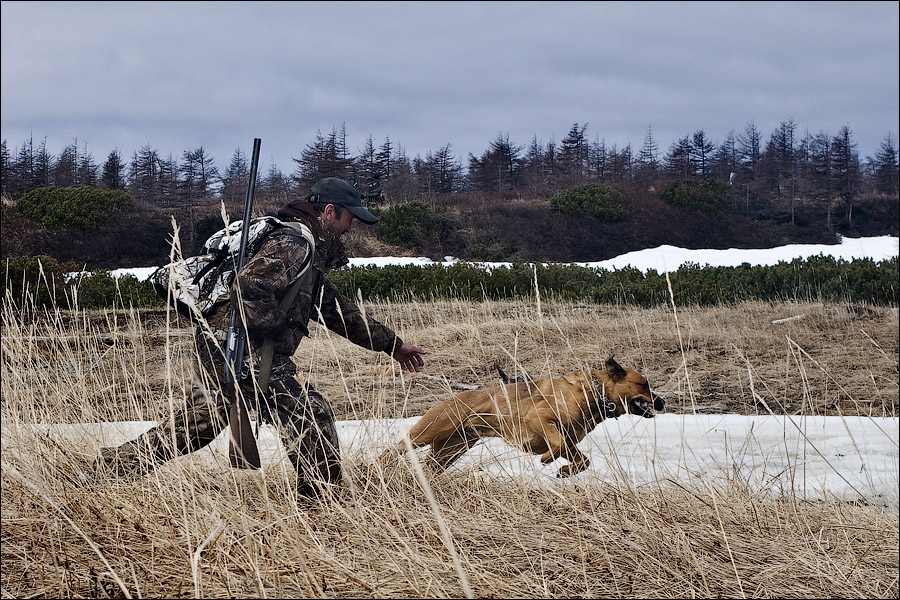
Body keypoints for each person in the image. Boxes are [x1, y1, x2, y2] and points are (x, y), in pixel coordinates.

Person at [92, 177, 426, 498]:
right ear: (329, 212)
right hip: (242, 344)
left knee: (201, 424)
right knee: (310, 412)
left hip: (219, 338)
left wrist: (392, 345)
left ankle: (107, 468)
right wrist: (277, 330)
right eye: (349, 219)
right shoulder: (295, 243)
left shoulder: (303, 247)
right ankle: (320, 502)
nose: (350, 228)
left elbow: (334, 308)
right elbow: (250, 285)